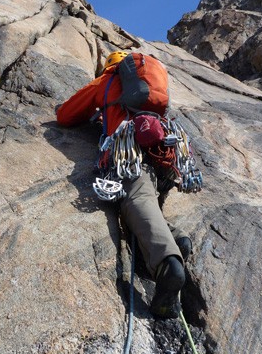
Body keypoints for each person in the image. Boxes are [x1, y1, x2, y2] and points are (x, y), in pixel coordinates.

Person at [57, 50, 190, 318]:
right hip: (160, 156)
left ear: (110, 67)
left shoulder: (106, 82)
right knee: (144, 200)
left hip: (129, 155)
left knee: (136, 200)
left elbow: (67, 115)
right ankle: (175, 237)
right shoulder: (149, 88)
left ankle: (167, 262)